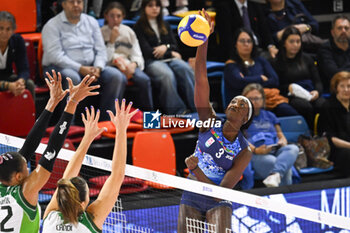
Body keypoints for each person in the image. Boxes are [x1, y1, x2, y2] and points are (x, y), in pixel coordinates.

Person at [177, 10, 253, 232]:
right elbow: (201, 77)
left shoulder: (244, 150)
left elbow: (221, 191)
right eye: (233, 101)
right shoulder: (209, 121)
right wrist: (204, 38)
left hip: (218, 200)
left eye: (241, 105)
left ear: (245, 119)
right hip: (192, 193)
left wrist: (196, 170)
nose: (234, 104)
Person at [0, 70, 98, 233]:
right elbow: (52, 149)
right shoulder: (26, 191)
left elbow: (29, 145)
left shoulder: (5, 179)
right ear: (18, 176)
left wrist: (52, 102)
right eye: (26, 166)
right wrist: (72, 103)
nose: (28, 165)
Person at [42, 100, 137, 232]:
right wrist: (121, 129)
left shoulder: (50, 217)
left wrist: (87, 137)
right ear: (82, 204)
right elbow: (117, 175)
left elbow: (67, 178)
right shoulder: (90, 221)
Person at [41, 0, 127, 121]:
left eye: (79, 2)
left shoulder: (91, 22)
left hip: (90, 67)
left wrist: (98, 68)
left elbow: (101, 50)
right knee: (72, 78)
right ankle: (67, 126)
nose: (76, 5)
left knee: (116, 76)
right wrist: (80, 68)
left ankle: (106, 123)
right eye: (72, 2)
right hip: (59, 68)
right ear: (64, 4)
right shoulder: (52, 25)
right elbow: (55, 56)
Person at [133, 0, 195, 115]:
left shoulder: (165, 24)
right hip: (151, 62)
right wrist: (170, 52)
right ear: (144, 8)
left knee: (185, 69)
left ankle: (197, 106)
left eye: (157, 5)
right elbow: (147, 52)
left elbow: (174, 46)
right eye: (150, 6)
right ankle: (178, 111)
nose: (155, 8)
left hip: (169, 59)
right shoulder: (138, 27)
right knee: (167, 75)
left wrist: (165, 48)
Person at [223, 27, 298, 117]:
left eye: (249, 41)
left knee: (290, 112)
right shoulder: (231, 65)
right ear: (235, 44)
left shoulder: (260, 61)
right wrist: (260, 78)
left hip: (267, 100)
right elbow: (238, 82)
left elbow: (274, 80)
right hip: (243, 104)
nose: (246, 44)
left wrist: (247, 81)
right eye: (242, 41)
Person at [242, 83, 299, 187]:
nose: (253, 102)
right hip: (256, 153)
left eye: (257, 98)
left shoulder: (270, 115)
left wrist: (282, 142)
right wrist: (256, 150)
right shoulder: (240, 118)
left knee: (293, 148)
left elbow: (281, 136)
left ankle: (275, 175)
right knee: (280, 165)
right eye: (250, 99)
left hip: (274, 149)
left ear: (263, 100)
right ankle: (285, 190)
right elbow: (240, 141)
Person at [102, 2, 153, 111]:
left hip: (129, 64)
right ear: (106, 16)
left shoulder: (129, 31)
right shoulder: (101, 32)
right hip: (111, 66)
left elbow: (137, 54)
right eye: (112, 16)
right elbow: (103, 59)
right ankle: (112, 117)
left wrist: (133, 65)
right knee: (119, 79)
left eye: (119, 16)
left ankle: (149, 116)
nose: (115, 19)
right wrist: (111, 41)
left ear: (123, 16)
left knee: (144, 79)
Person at [271, 26, 325, 128]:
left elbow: (317, 81)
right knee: (305, 106)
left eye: (298, 41)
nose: (295, 45)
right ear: (284, 43)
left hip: (310, 92)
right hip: (291, 95)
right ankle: (308, 134)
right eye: (291, 42)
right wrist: (288, 88)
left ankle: (323, 134)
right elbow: (276, 86)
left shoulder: (307, 58)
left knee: (323, 104)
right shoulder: (276, 62)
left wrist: (317, 91)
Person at [318, 71, 350, 177]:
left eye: (349, 86)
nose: (346, 90)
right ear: (336, 88)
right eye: (342, 86)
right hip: (336, 150)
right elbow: (330, 138)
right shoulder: (327, 107)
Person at [0, 11, 35, 99]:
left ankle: (31, 112)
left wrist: (20, 81)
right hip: (5, 81)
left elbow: (24, 69)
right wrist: (8, 85)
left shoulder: (17, 40)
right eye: (1, 28)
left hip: (7, 76)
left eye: (8, 29)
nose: (4, 32)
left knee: (29, 84)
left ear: (13, 30)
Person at [318, 15, 350, 92]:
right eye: (339, 28)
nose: (343, 31)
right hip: (335, 91)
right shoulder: (325, 49)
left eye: (346, 28)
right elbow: (335, 74)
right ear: (332, 32)